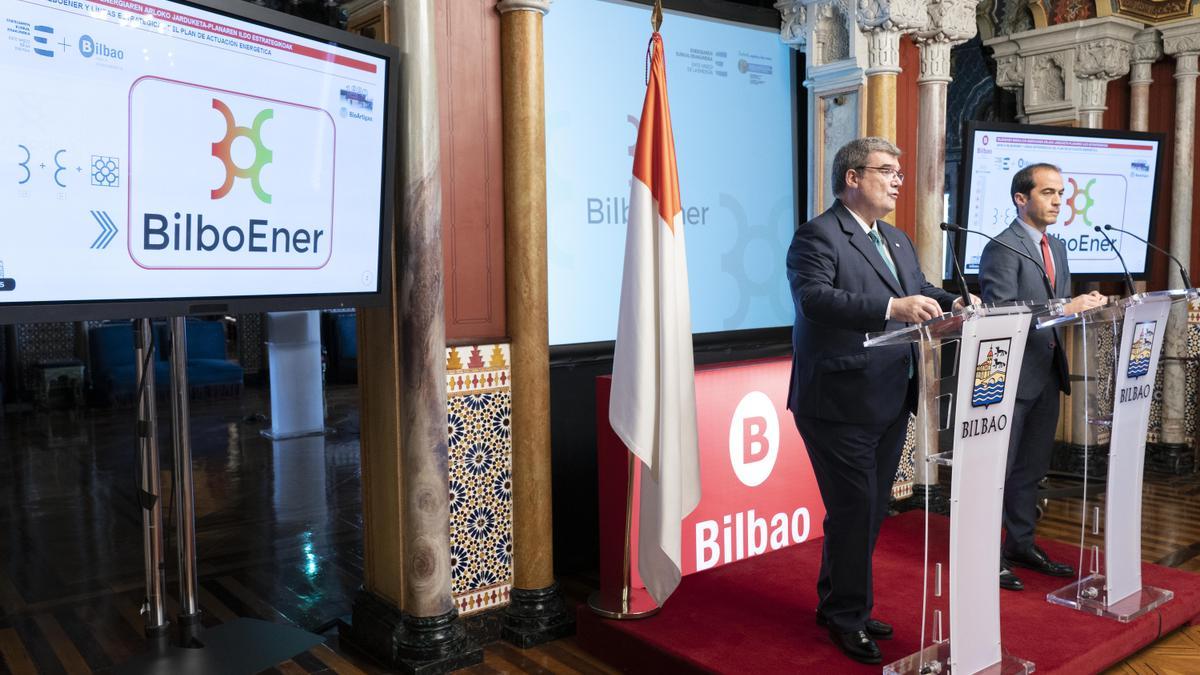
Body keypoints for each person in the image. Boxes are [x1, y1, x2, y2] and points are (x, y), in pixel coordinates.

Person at [786, 137, 972, 664]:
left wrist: (951, 300)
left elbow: (919, 287)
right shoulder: (817, 236)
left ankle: (836, 603)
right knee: (855, 510)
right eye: (887, 171)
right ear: (852, 177)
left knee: (867, 511)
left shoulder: (893, 237)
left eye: (899, 171)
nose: (897, 180)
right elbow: (816, 300)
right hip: (837, 399)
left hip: (889, 394)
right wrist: (892, 305)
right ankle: (848, 617)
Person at [978, 162, 1107, 592]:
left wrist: (1084, 305)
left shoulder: (1060, 247)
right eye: (1048, 193)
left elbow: (1057, 308)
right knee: (999, 470)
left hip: (1047, 373)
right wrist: (1063, 309)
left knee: (1030, 471)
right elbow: (1000, 312)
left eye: (1061, 194)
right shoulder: (1003, 247)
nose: (1058, 201)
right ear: (1021, 198)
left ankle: (1020, 543)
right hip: (1010, 378)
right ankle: (984, 556)